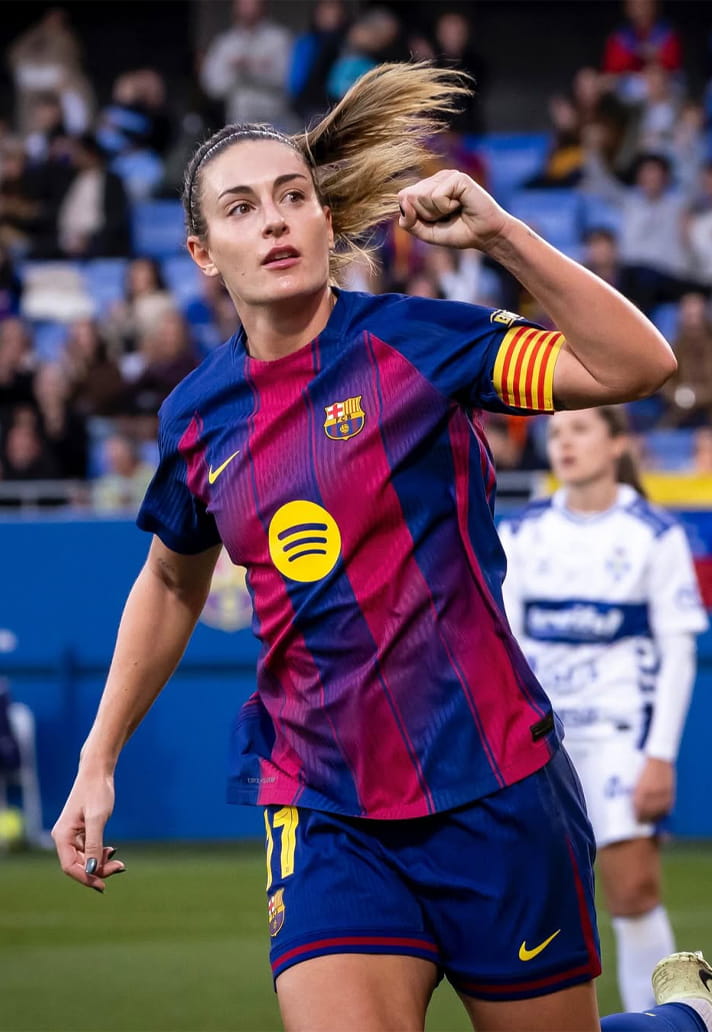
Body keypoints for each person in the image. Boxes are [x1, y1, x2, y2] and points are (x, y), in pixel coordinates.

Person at [51, 62, 712, 1032]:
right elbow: (170, 580)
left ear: (327, 220)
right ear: (202, 253)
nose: (275, 222)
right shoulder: (196, 416)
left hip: (496, 785)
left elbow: (639, 365)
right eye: (242, 209)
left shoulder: (420, 343)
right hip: (322, 803)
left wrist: (501, 234)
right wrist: (97, 756)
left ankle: (678, 1021)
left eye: (293, 197)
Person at [499, 406, 709, 1014]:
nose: (564, 442)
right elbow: (502, 645)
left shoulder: (655, 534)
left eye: (582, 429)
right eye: (557, 431)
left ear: (617, 444)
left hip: (622, 738)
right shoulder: (522, 532)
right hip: (543, 742)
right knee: (539, 904)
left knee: (633, 889)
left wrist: (660, 757)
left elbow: (678, 653)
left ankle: (671, 1019)